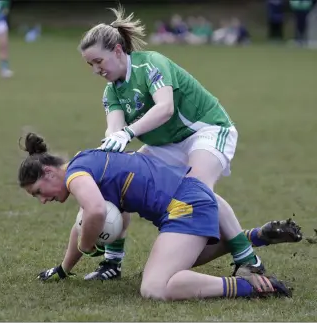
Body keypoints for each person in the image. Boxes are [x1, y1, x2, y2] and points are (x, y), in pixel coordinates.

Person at [77, 6, 272, 280]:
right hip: (166, 145)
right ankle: (112, 262)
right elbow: (115, 129)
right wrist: (108, 149)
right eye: (90, 65)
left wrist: (128, 134)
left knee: (197, 190)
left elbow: (165, 108)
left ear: (118, 50)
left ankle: (249, 259)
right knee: (116, 179)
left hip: (207, 129)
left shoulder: (151, 64)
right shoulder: (112, 92)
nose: (96, 70)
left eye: (99, 61)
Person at [18, 133, 296, 300]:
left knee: (156, 287)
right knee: (188, 260)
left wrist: (87, 246)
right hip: (190, 197)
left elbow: (95, 212)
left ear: (50, 173)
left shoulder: (76, 176)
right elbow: (84, 221)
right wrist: (64, 270)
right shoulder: (86, 160)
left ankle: (248, 286)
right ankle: (253, 237)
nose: (43, 200)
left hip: (185, 206)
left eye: (39, 192)